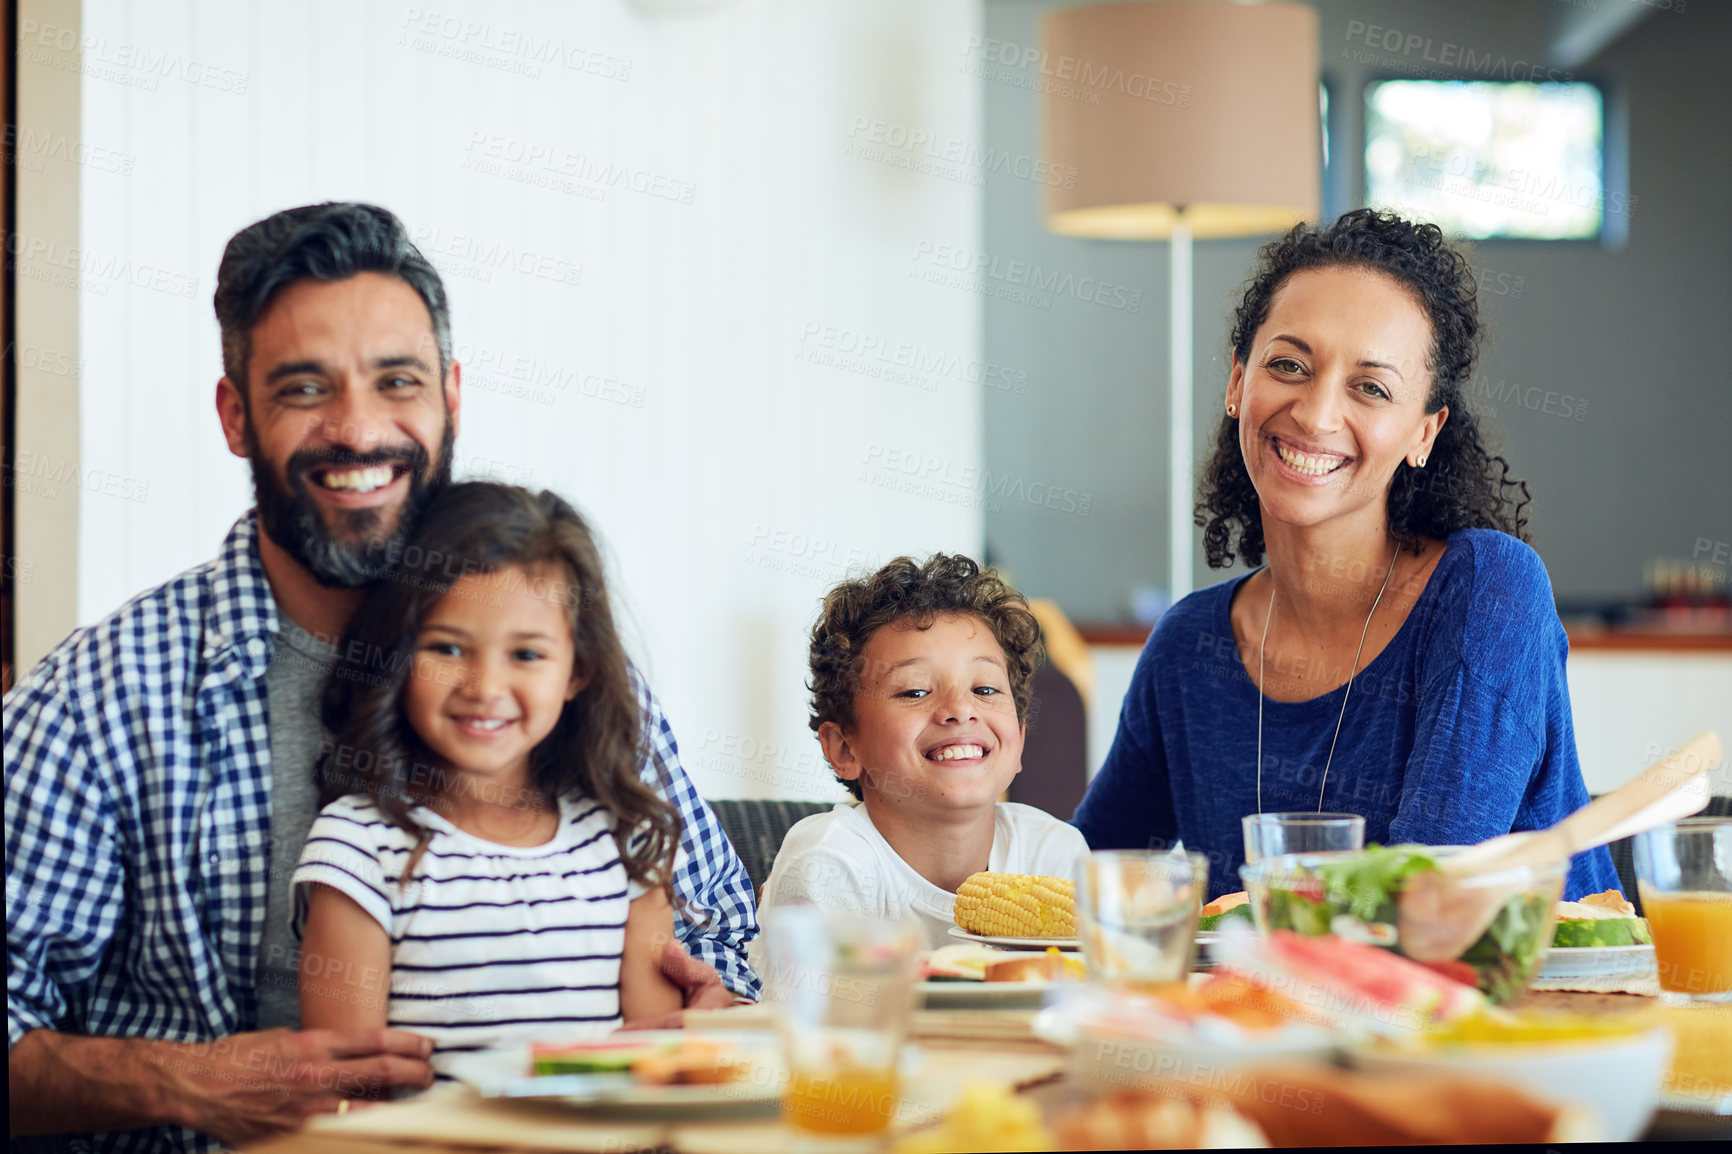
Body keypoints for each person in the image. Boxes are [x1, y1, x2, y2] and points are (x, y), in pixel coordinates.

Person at [5, 203, 757, 1154]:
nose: (358, 430)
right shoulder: (104, 696)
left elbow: (729, 933)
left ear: (449, 393)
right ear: (238, 415)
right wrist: (185, 1082)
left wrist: (710, 997)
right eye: (304, 388)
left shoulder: (567, 662)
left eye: (396, 382)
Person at [1073, 209, 1620, 902]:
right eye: (1288, 365)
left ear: (1424, 432)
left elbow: (1430, 890)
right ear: (1238, 384)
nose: (1316, 413)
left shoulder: (1489, 589)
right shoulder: (1190, 648)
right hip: (1277, 1011)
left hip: (1533, 1005)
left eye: (1371, 387)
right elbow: (1086, 883)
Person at [297, 483, 685, 1071]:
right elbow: (347, 1086)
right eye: (448, 648)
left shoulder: (627, 837)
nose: (484, 688)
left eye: (527, 654)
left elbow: (656, 1067)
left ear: (577, 671)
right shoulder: (358, 844)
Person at [755, 554, 1089, 951]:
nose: (960, 709)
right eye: (914, 691)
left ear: (1019, 737)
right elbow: (829, 1012)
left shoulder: (1052, 852)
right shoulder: (829, 863)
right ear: (844, 748)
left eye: (984, 689)